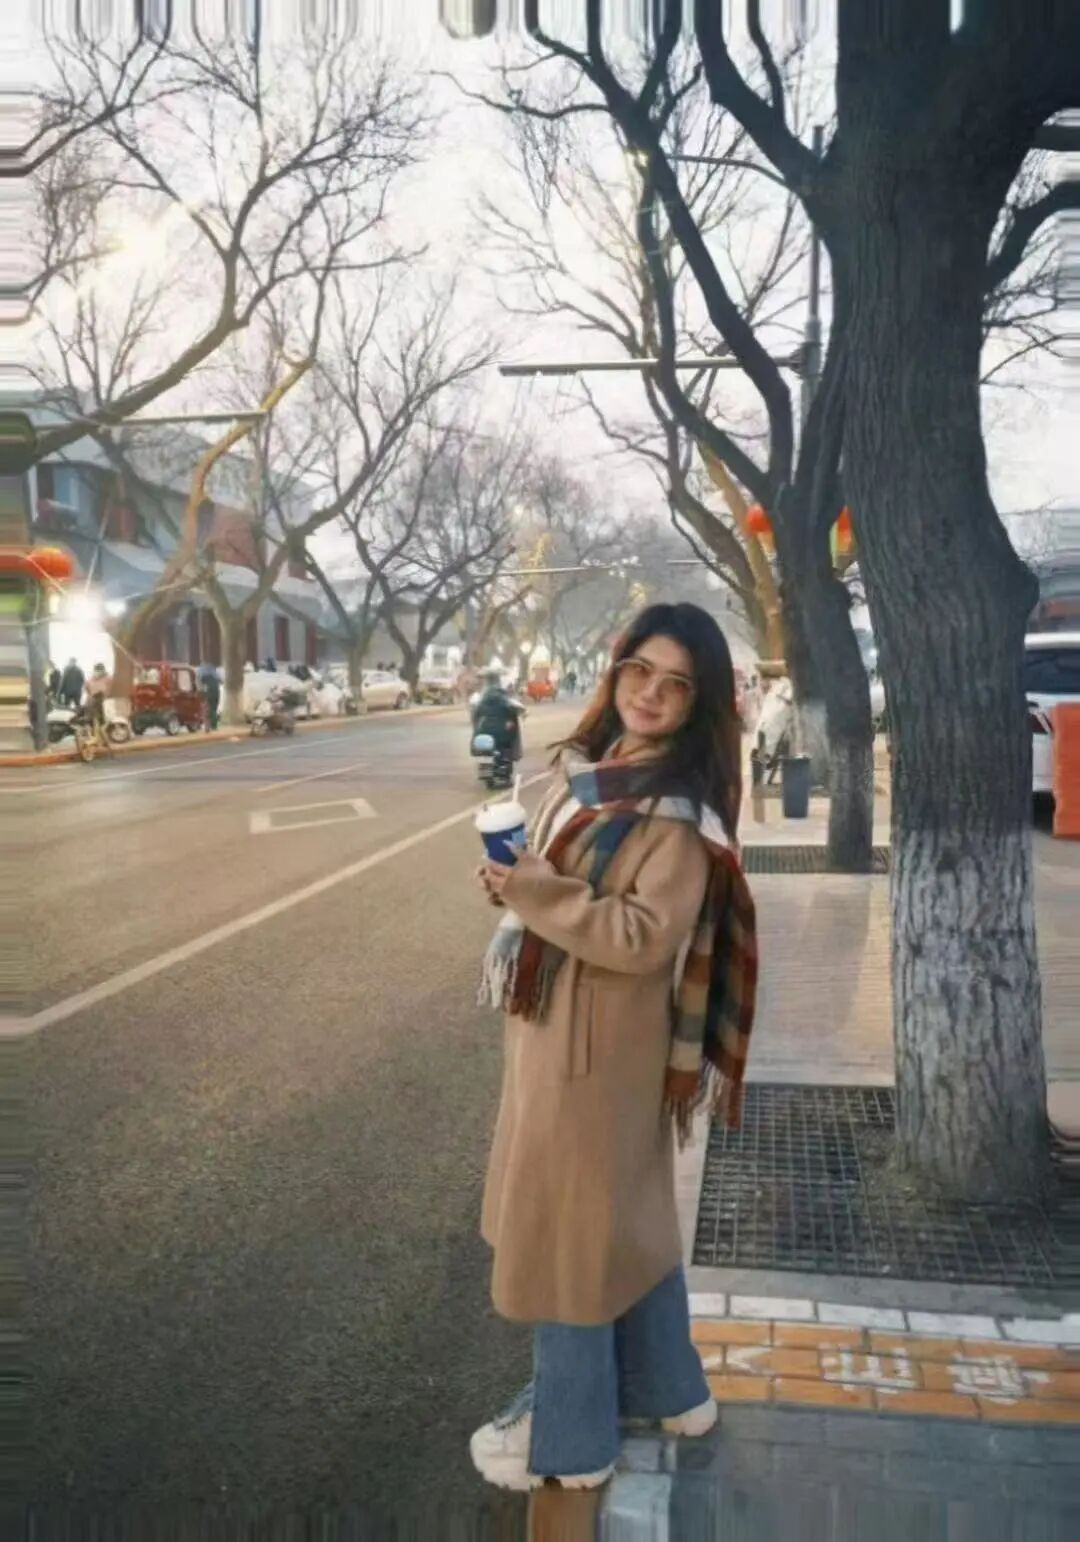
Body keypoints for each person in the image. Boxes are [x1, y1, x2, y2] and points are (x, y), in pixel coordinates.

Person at [470, 602, 758, 1492]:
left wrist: (534, 892)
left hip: (593, 1053)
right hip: (578, 1038)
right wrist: (520, 886)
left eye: (677, 684)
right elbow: (562, 888)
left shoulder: (675, 812)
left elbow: (642, 936)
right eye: (641, 670)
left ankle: (572, 1443)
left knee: (570, 1243)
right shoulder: (603, 772)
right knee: (623, 1224)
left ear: (699, 703)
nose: (651, 694)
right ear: (618, 667)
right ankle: (672, 1392)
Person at [471, 666, 524, 763]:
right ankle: (510, 756)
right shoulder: (504, 696)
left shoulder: (479, 697)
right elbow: (517, 708)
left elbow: (475, 715)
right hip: (502, 734)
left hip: (483, 731)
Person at [84, 663, 110, 730]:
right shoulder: (90, 679)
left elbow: (111, 690)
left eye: (100, 670)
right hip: (93, 703)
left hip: (103, 703)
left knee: (101, 719)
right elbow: (86, 689)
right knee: (92, 719)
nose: (98, 672)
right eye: (97, 670)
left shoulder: (108, 678)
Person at [198, 660, 222, 731]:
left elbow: (201, 686)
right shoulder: (215, 674)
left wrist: (202, 693)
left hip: (208, 693)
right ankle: (214, 725)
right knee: (214, 709)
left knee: (208, 710)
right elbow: (220, 680)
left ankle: (208, 726)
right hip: (216, 693)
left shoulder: (203, 675)